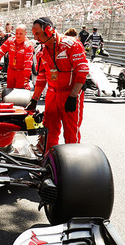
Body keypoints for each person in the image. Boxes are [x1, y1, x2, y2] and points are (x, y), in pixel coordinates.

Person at [27, 17, 90, 151]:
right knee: (49, 131)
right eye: (34, 34)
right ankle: (49, 163)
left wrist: (73, 96)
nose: (36, 37)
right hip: (52, 93)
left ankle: (73, 164)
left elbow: (82, 71)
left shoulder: (72, 44)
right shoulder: (41, 52)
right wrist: (34, 99)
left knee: (71, 133)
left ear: (48, 30)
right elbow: (41, 77)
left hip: (71, 93)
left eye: (38, 33)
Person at [0, 24, 35, 90]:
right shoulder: (10, 40)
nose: (18, 36)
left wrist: (26, 81)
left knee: (18, 95)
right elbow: (0, 52)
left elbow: (28, 65)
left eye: (20, 34)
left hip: (21, 73)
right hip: (11, 71)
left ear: (25, 33)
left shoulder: (28, 46)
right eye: (16, 33)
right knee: (9, 94)